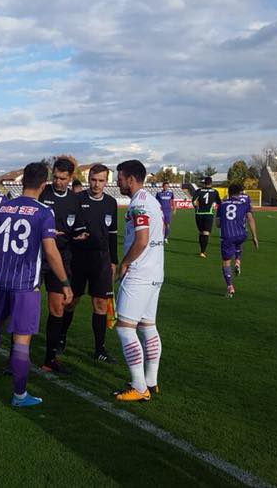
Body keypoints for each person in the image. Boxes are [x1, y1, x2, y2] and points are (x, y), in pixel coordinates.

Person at [0, 162, 73, 407]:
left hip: (1, 280)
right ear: (43, 184)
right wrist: (65, 283)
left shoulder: (3, 207)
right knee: (22, 339)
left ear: (22, 181)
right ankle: (19, 395)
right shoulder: (43, 212)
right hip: (26, 285)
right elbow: (50, 251)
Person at [113, 160, 165, 402]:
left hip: (140, 274)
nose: (117, 182)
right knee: (148, 326)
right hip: (155, 272)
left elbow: (142, 240)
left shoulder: (139, 204)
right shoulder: (152, 200)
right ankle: (151, 381)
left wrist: (124, 263)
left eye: (120, 178)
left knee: (124, 328)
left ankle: (139, 386)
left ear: (131, 179)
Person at [63, 164, 118, 362]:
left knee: (100, 304)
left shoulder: (111, 202)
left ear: (106, 181)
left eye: (101, 180)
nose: (97, 184)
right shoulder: (77, 200)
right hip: (78, 259)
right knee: (71, 301)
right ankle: (61, 338)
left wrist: (114, 261)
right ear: (89, 179)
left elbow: (113, 233)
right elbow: (67, 229)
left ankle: (99, 349)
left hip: (101, 260)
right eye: (94, 179)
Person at [38, 157, 82, 373]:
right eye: (55, 177)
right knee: (24, 305)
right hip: (37, 256)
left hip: (61, 258)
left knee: (57, 308)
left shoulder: (75, 201)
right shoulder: (41, 192)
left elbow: (79, 230)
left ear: (70, 178)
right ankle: (13, 357)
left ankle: (50, 359)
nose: (58, 182)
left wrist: (77, 236)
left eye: (63, 178)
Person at [217, 184, 259, 297]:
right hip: (241, 234)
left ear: (228, 193)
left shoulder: (221, 205)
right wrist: (254, 237)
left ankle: (230, 287)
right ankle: (238, 260)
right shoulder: (244, 204)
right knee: (239, 242)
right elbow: (251, 219)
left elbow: (217, 224)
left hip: (227, 236)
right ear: (239, 193)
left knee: (226, 262)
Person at [192, 176, 221, 258]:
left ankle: (202, 251)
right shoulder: (215, 191)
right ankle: (203, 251)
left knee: (201, 232)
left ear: (204, 183)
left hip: (199, 214)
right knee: (206, 233)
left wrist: (196, 208)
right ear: (211, 183)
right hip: (208, 214)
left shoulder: (199, 190)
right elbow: (219, 203)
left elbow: (193, 201)